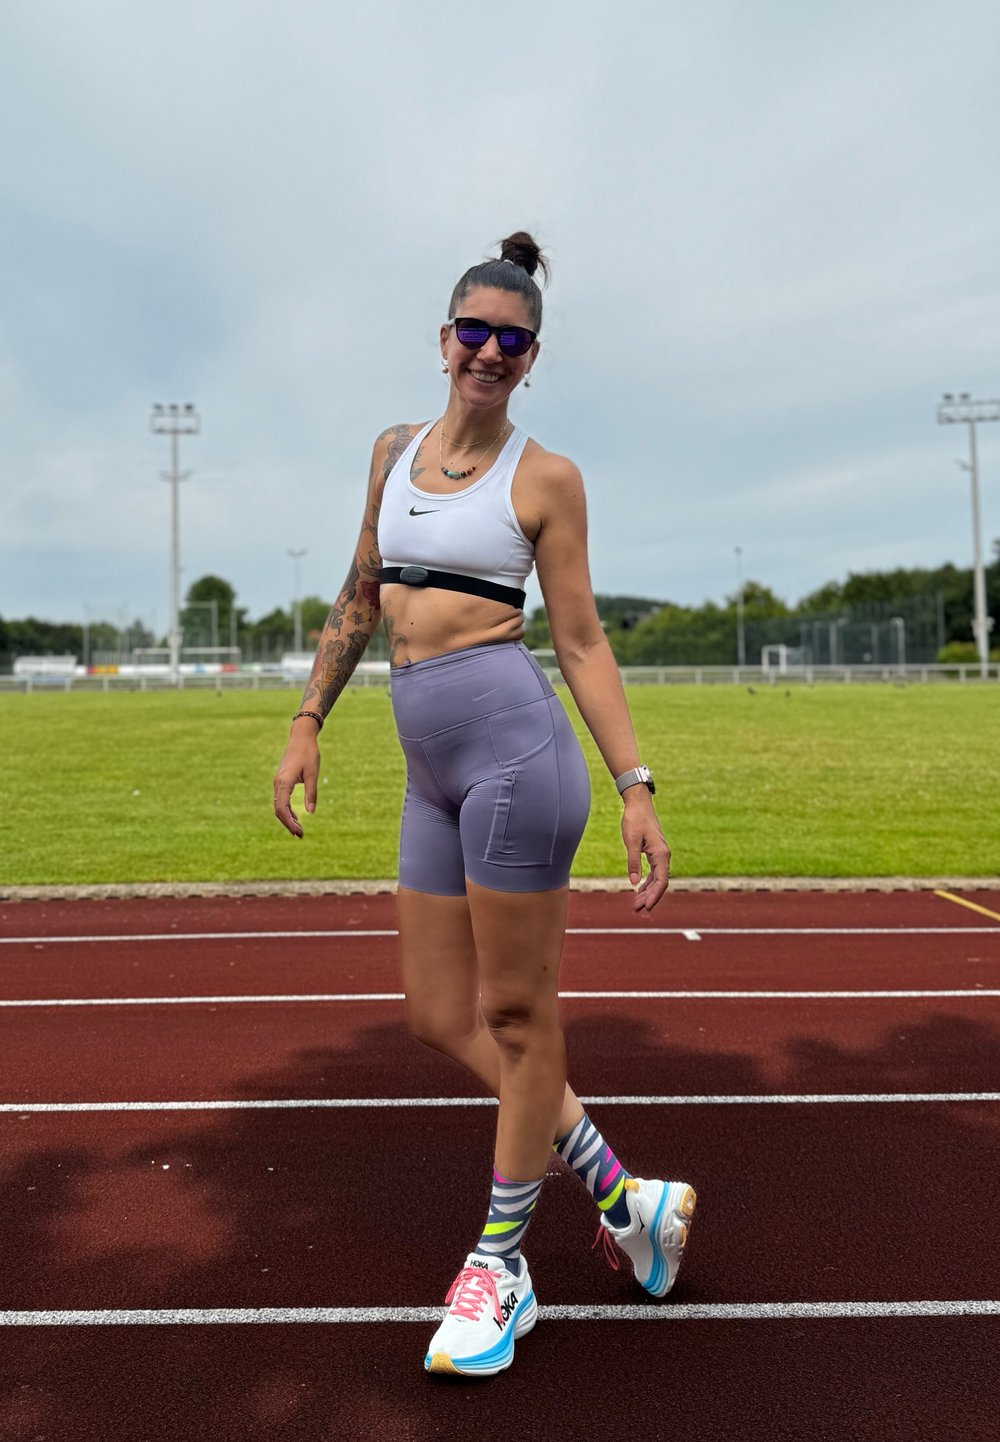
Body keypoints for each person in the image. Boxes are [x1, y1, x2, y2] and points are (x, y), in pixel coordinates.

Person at [273, 231, 695, 1377]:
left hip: (517, 755)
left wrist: (635, 784)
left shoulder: (545, 477)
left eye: (513, 340)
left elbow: (581, 639)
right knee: (434, 1011)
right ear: (444, 336)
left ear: (531, 356)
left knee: (517, 1017)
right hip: (428, 767)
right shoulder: (390, 452)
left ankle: (500, 1266)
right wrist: (309, 720)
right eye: (475, 332)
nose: (490, 353)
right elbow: (362, 592)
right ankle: (625, 1196)